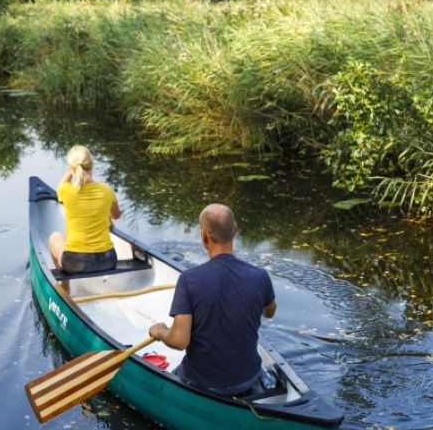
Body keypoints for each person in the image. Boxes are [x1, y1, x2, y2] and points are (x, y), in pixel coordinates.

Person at [148, 204, 276, 396]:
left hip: (202, 383)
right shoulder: (260, 276)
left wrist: (160, 331)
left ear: (203, 235)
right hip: (248, 377)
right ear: (235, 230)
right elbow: (269, 312)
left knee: (162, 387)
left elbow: (179, 341)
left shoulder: (189, 280)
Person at [48, 145, 122, 273]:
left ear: (71, 166)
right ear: (92, 165)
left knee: (55, 237)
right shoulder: (107, 190)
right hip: (108, 260)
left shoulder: (66, 190)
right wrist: (101, 212)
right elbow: (116, 215)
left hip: (76, 263)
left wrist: (71, 171)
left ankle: (66, 287)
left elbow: (58, 189)